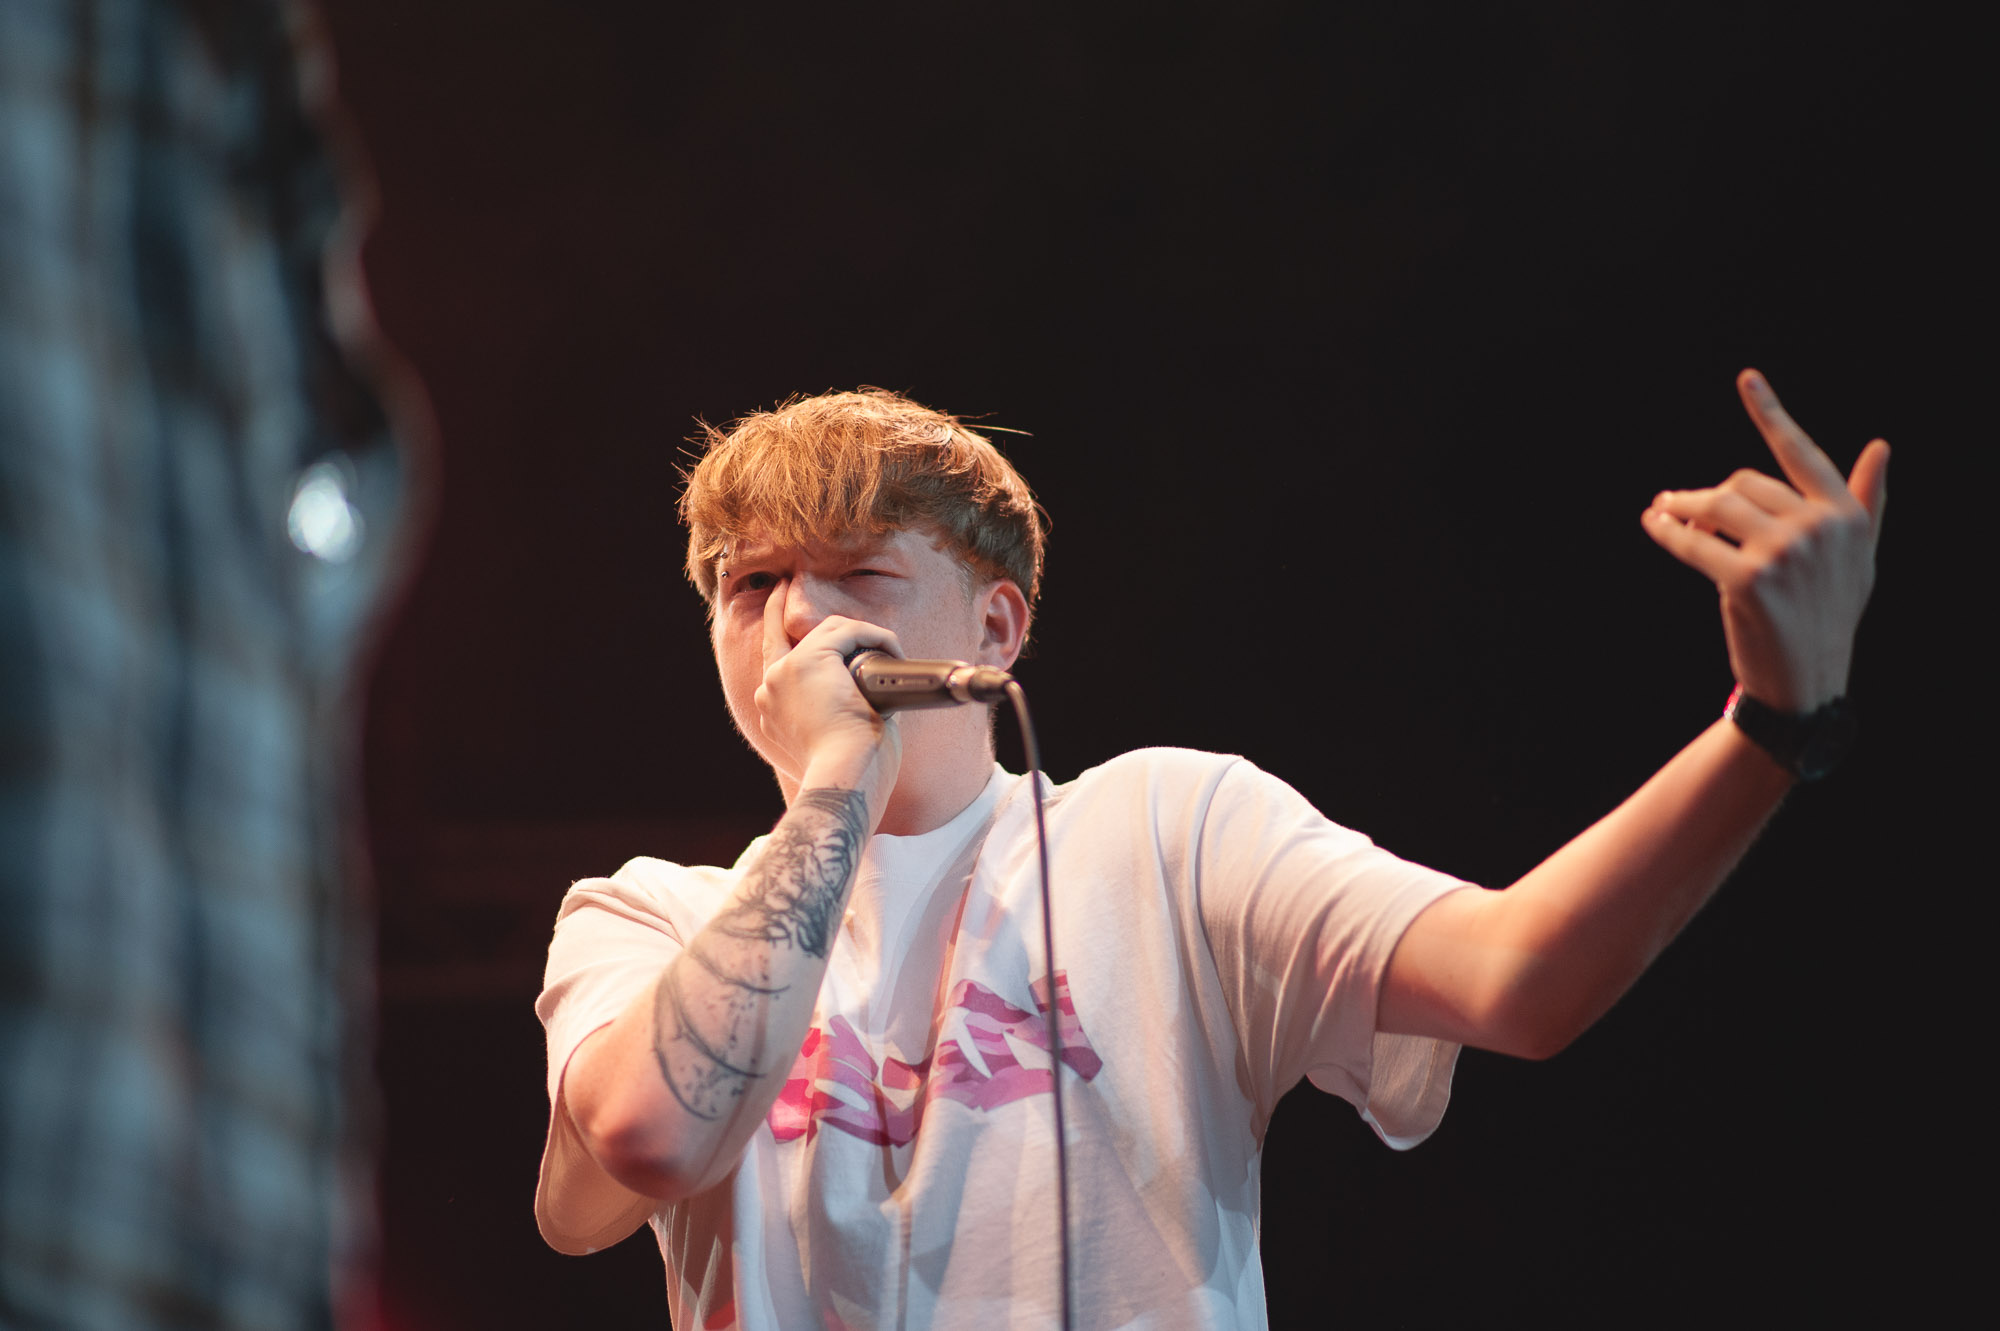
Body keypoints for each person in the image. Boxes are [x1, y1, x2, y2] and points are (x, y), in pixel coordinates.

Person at [533, 379, 1886, 1328]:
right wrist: (839, 780)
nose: (794, 619)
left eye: (857, 572)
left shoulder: (1165, 832)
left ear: (995, 629)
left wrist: (1774, 725)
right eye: (751, 583)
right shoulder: (645, 918)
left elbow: (1521, 977)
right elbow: (653, 1135)